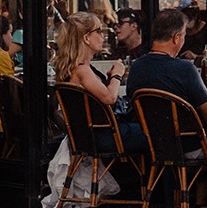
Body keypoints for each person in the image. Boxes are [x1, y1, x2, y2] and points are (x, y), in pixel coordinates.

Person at [126, 8, 207, 205]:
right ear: (177, 37)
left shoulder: (137, 67)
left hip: (159, 145)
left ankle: (200, 202)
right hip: (194, 145)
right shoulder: (185, 69)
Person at [53, 12, 146, 153]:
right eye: (98, 31)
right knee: (156, 131)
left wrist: (108, 80)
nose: (103, 36)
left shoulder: (76, 68)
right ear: (86, 38)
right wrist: (117, 75)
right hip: (103, 136)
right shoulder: (82, 70)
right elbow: (109, 98)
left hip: (89, 135)